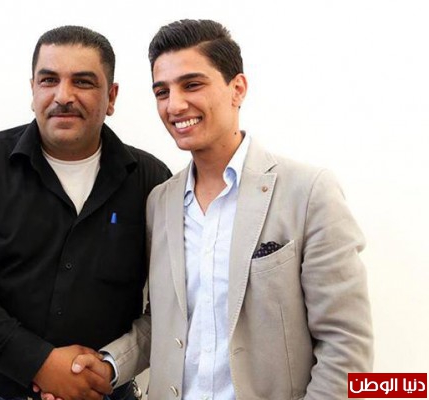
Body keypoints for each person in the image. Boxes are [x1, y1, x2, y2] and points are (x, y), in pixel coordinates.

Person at [72, 19, 373, 399]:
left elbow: (345, 344)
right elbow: (166, 322)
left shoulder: (308, 192)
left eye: (192, 85)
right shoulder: (161, 201)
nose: (174, 105)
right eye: (162, 91)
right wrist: (108, 364)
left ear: (237, 89)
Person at [0, 25, 170, 400]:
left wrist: (108, 366)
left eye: (83, 82)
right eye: (49, 80)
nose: (63, 96)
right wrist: (40, 364)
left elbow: (173, 300)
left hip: (105, 390)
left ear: (111, 96)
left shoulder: (151, 181)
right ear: (33, 89)